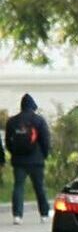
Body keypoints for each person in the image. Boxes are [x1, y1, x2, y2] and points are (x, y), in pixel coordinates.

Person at [4, 94, 51, 224]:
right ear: (33, 106)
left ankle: (17, 216)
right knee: (40, 187)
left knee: (18, 187)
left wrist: (14, 153)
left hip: (19, 161)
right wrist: (44, 155)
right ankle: (44, 214)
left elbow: (8, 142)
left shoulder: (12, 122)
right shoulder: (39, 120)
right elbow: (45, 141)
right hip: (36, 161)